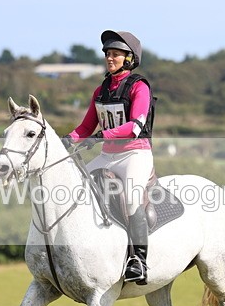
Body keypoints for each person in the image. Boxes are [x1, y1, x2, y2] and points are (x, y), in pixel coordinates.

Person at [62, 30, 155, 285]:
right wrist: (67, 140)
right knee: (76, 188)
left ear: (129, 59)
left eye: (115, 54)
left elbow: (135, 126)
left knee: (132, 199)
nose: (109, 58)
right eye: (107, 54)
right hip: (107, 155)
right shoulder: (101, 90)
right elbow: (84, 128)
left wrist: (102, 135)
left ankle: (138, 261)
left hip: (134, 154)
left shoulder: (139, 87)